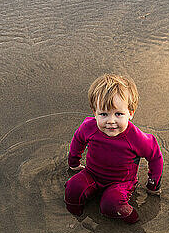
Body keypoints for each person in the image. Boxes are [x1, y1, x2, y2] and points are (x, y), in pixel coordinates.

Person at [64, 74, 163, 224]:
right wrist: (74, 163)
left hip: (121, 183)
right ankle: (75, 220)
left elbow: (155, 156)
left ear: (130, 113)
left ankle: (133, 220)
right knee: (72, 189)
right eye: (103, 114)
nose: (111, 121)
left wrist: (153, 185)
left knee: (110, 205)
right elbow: (78, 140)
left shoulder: (136, 138)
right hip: (92, 174)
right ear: (94, 113)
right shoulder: (88, 127)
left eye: (118, 114)